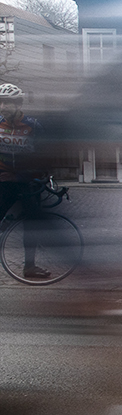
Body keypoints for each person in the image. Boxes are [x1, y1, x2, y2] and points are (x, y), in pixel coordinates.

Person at [0, 84, 49, 279]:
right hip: (3, 182)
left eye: (7, 103)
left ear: (19, 104)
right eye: (0, 102)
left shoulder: (33, 126)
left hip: (28, 183)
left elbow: (45, 156)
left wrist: (33, 175)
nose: (3, 106)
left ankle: (30, 267)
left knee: (32, 226)